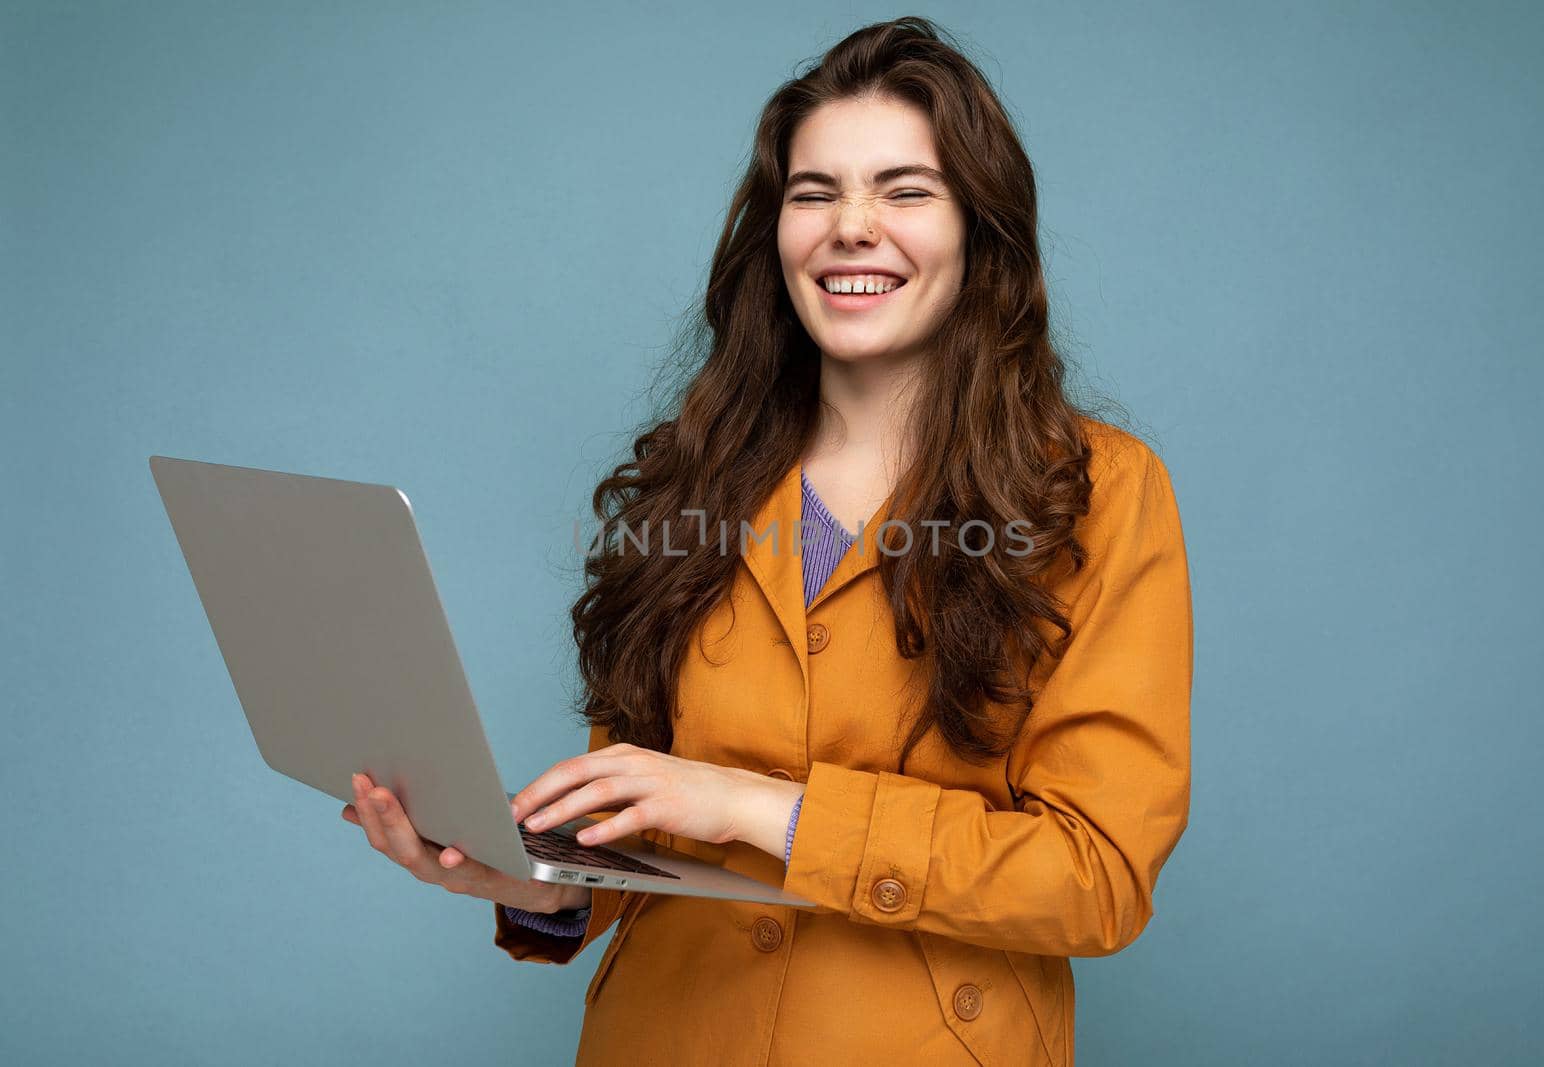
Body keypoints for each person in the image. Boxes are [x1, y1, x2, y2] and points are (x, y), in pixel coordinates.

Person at [342, 16, 1192, 1066]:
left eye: (905, 189)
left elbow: (1095, 874)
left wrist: (754, 804)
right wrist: (527, 879)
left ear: (980, 228)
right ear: (775, 231)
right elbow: (640, 836)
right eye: (813, 192)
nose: (851, 226)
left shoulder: (1098, 489)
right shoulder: (696, 475)